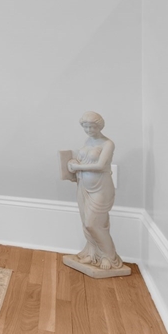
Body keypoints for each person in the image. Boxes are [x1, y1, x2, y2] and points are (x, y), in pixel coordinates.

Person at [67, 111, 124, 271]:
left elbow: (100, 166)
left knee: (95, 223)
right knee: (86, 223)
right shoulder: (88, 140)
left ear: (99, 126)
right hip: (83, 185)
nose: (88, 130)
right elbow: (82, 158)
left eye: (92, 126)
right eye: (85, 127)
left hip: (101, 187)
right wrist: (72, 162)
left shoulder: (108, 144)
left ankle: (109, 256)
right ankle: (92, 253)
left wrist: (77, 166)